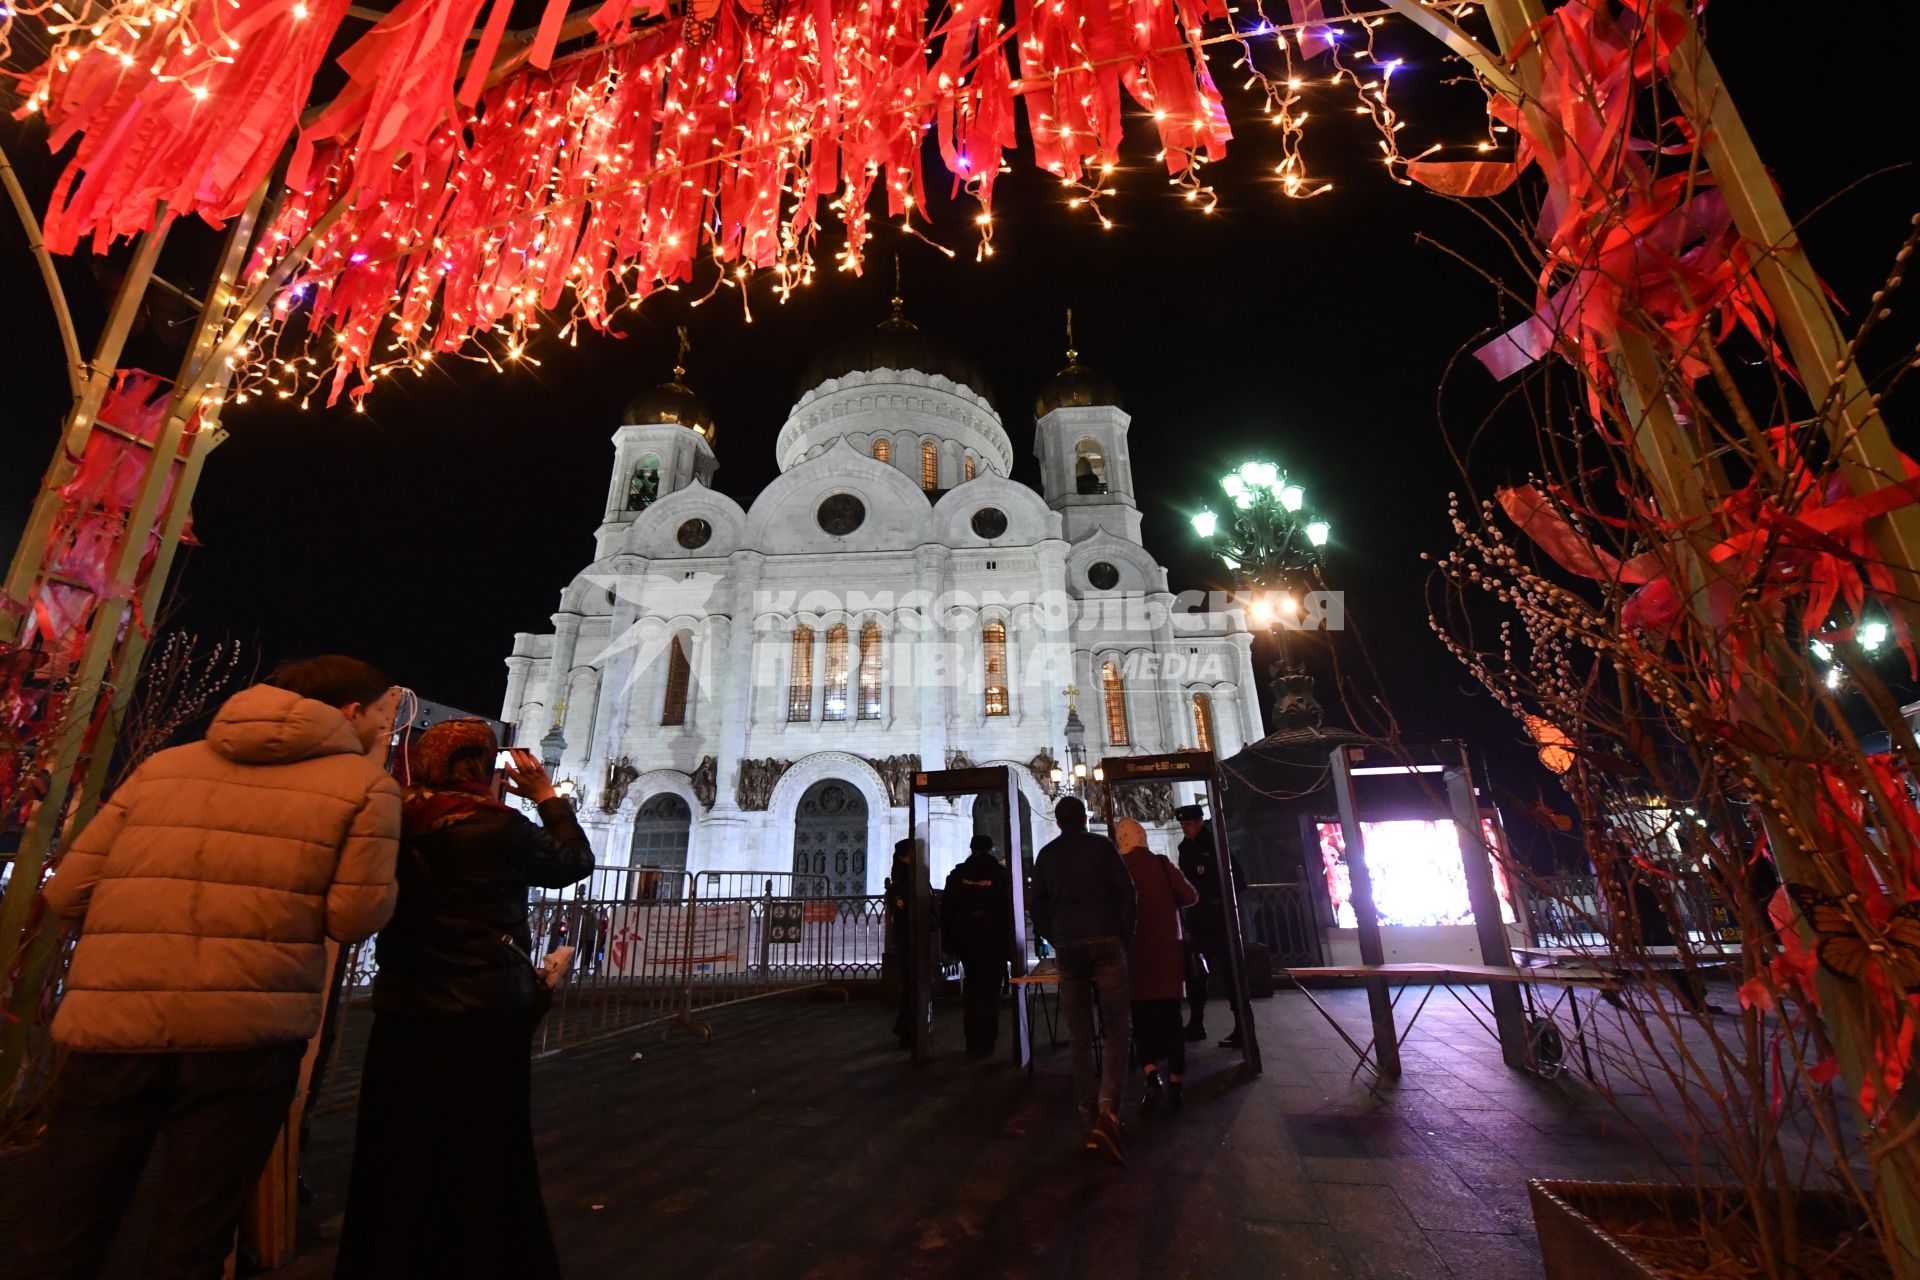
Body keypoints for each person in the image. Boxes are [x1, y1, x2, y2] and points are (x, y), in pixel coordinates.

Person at [23, 656, 404, 1280]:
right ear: (353, 712)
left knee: (64, 1228)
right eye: (385, 716)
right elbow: (355, 918)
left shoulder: (163, 767)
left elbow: (67, 893)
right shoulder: (364, 787)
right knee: (191, 1237)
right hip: (246, 1036)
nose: (385, 730)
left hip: (112, 1027)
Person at [335, 718, 593, 1279]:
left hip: (405, 1005)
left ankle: (389, 1254)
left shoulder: (393, 823)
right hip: (484, 1008)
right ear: (480, 766)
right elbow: (572, 863)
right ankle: (478, 1254)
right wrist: (548, 798)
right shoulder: (496, 825)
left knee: (398, 1139)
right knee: (483, 1141)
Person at [1031, 796, 1136, 1165]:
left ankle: (1088, 1113)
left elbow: (1038, 905)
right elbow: (1127, 895)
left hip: (1069, 944)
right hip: (1106, 940)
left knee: (1079, 1032)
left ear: (1058, 822)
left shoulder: (1047, 855)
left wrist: (1056, 934)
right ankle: (1109, 1111)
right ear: (1085, 818)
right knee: (1117, 1027)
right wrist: (1123, 937)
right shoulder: (1103, 847)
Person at [1115, 818, 1199, 1112]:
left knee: (1141, 1021)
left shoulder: (1118, 867)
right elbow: (1190, 895)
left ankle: (1151, 1074)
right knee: (1172, 1020)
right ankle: (1176, 1080)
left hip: (1135, 955)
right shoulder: (1162, 863)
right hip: (1166, 954)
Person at [1176, 802, 1246, 1048]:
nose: (1185, 829)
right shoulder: (1185, 848)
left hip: (1219, 918)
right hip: (1197, 919)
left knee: (1230, 973)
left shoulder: (1215, 845)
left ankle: (1242, 1025)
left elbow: (1237, 879)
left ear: (1199, 822)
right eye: (1183, 825)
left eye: (1189, 824)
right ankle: (1196, 1023)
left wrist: (1223, 903)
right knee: (1196, 973)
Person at [940, 834, 1014, 1057]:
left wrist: (949, 942)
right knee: (991, 990)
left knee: (972, 988)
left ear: (971, 849)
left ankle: (972, 1040)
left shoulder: (957, 875)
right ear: (991, 849)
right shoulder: (999, 875)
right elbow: (1008, 909)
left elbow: (947, 910)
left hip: (966, 939)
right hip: (993, 940)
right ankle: (987, 1040)